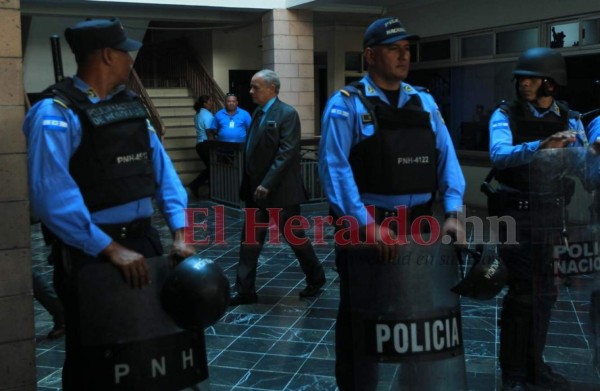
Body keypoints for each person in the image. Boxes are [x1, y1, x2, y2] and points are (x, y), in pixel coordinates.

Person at [22, 18, 196, 389]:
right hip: (94, 254)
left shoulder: (132, 108)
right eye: (125, 52)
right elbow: (51, 194)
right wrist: (110, 249)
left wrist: (180, 232)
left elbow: (164, 175)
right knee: (96, 362)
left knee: (148, 352)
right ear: (107, 55)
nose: (131, 60)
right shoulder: (55, 112)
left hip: (143, 244)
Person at [319, 17, 465, 390]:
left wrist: (454, 212)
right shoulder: (346, 104)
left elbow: (446, 157)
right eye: (393, 49)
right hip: (368, 231)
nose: (403, 57)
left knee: (418, 315)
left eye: (406, 50)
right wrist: (366, 225)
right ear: (370, 55)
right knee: (363, 321)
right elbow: (335, 169)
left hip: (419, 227)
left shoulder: (424, 102)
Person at [488, 47, 585, 390]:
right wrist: (540, 146)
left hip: (551, 215)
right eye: (520, 78)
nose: (523, 84)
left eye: (530, 78)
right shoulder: (505, 114)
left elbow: (583, 168)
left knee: (545, 294)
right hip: (515, 214)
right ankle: (513, 373)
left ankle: (535, 366)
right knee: (521, 294)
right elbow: (499, 156)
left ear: (551, 83)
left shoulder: (571, 119)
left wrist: (591, 153)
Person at [229, 69, 326, 306]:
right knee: (249, 242)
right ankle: (245, 291)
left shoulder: (287, 114)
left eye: (255, 87)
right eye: (251, 87)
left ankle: (317, 278)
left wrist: (267, 183)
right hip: (257, 194)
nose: (251, 91)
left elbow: (287, 152)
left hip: (281, 193)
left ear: (272, 88)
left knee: (296, 239)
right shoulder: (258, 114)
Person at [188, 95, 214, 197]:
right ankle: (195, 185)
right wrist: (213, 146)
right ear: (205, 104)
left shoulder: (198, 114)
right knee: (212, 168)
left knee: (211, 168)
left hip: (200, 144)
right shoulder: (207, 115)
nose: (212, 103)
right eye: (210, 101)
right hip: (206, 144)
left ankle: (196, 186)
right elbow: (209, 132)